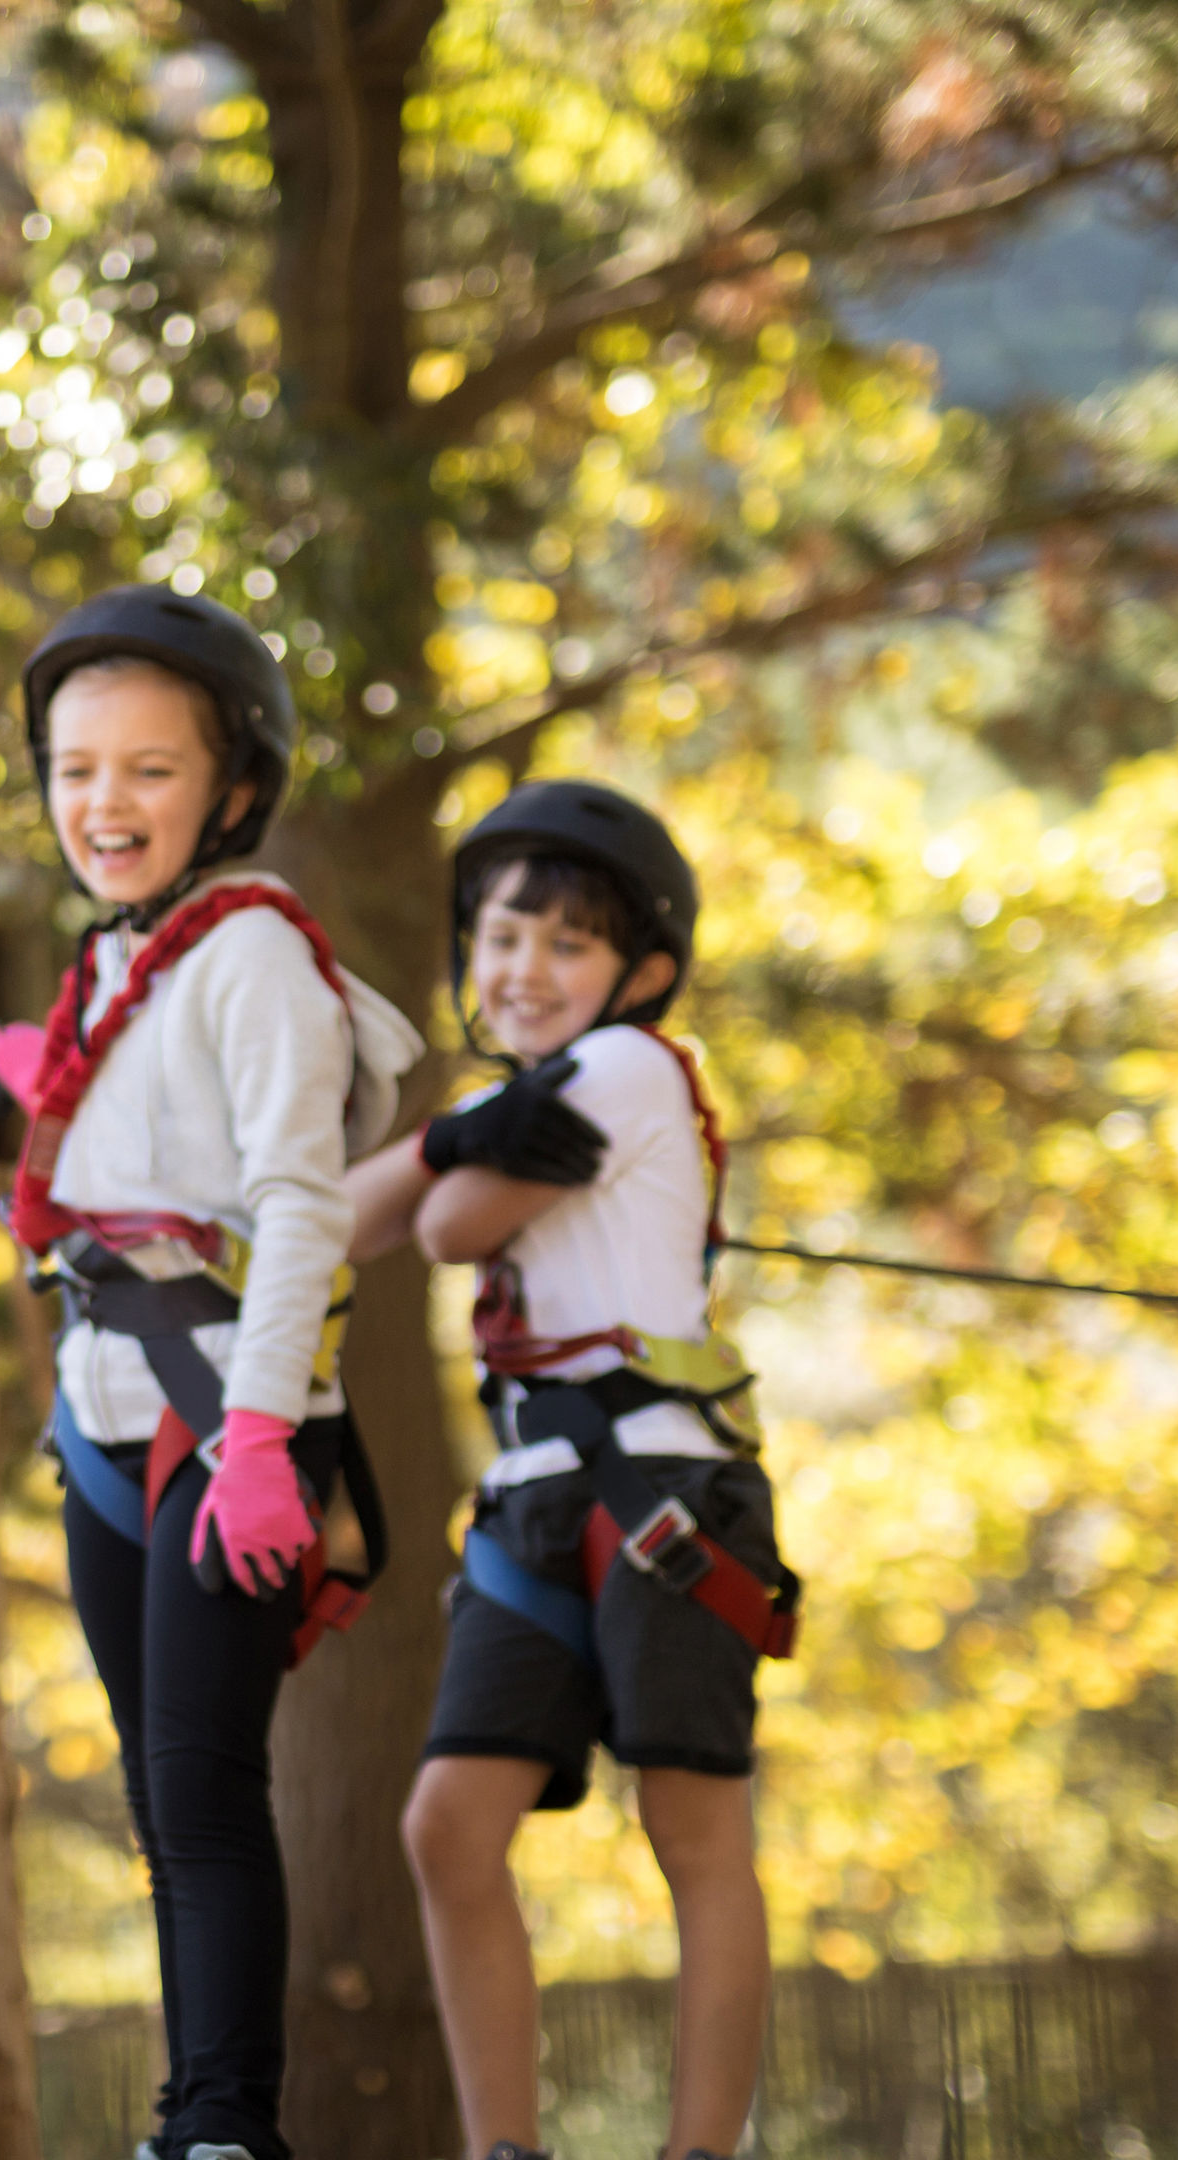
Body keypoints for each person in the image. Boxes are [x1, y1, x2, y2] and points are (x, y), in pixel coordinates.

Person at [0, 584, 422, 2160]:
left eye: (150, 772)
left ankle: (227, 2129)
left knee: (206, 1784)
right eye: (77, 769)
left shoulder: (250, 956)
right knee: (167, 1811)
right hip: (108, 1411)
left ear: (231, 788)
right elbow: (147, 1153)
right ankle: (191, 2120)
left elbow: (299, 1205)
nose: (105, 804)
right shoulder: (121, 966)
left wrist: (250, 1442)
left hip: (224, 1413)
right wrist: (54, 1100)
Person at [344, 779, 801, 2160]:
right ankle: (504, 2149)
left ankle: (696, 2150)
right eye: (498, 937)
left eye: (565, 944)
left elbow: (445, 1230)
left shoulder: (628, 1069)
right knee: (448, 1825)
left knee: (693, 1826)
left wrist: (452, 1152)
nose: (523, 969)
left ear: (640, 975)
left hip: (663, 1493)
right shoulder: (516, 1100)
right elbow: (348, 1221)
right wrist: (445, 1133)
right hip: (537, 1503)